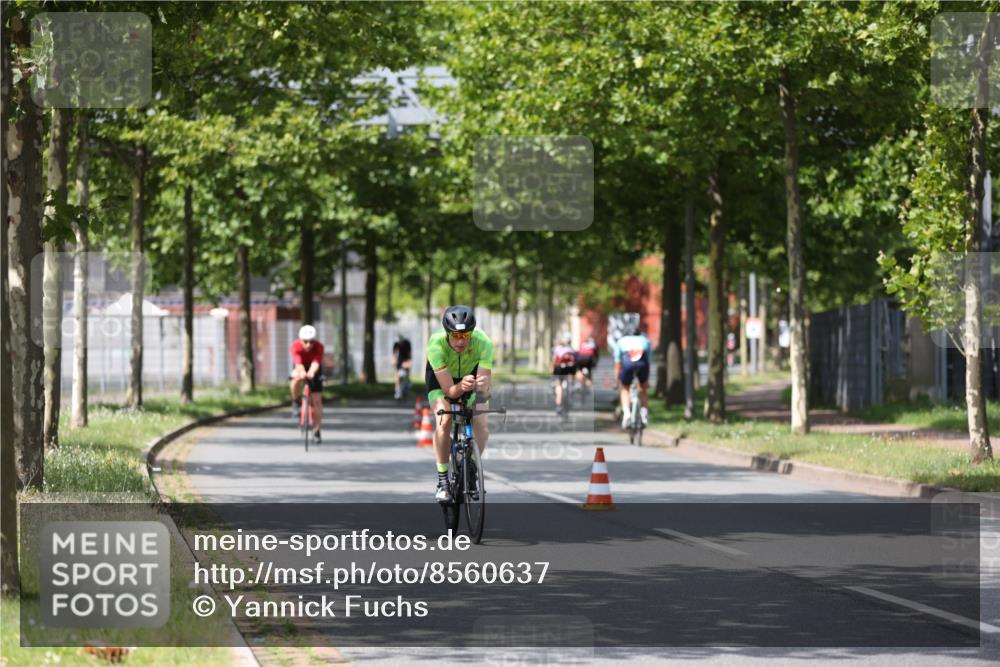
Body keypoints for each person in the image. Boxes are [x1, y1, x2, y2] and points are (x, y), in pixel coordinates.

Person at [426, 305, 494, 503]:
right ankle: (442, 480)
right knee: (444, 418)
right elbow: (449, 392)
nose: (461, 340)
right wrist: (460, 387)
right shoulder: (436, 344)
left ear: (472, 332)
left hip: (470, 377)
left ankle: (471, 468)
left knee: (482, 422)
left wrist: (481, 389)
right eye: (455, 335)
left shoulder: (484, 343)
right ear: (447, 333)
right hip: (442, 381)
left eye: (466, 335)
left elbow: (484, 390)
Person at [614, 320, 652, 429]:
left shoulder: (621, 341)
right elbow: (648, 361)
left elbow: (617, 363)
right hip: (642, 362)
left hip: (627, 362)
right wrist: (646, 381)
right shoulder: (645, 340)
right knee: (643, 389)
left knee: (625, 388)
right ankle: (644, 415)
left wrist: (617, 381)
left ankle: (627, 414)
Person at [290, 324, 324, 443]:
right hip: (301, 366)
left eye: (311, 342)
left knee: (317, 401)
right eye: (306, 342)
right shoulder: (295, 346)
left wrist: (311, 373)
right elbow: (298, 363)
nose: (309, 345)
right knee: (295, 379)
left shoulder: (319, 347)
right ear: (301, 340)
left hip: (314, 368)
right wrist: (302, 373)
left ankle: (317, 431)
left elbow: (316, 362)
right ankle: (295, 400)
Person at [551, 332, 577, 415]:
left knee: (559, 385)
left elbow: (554, 360)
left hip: (559, 368)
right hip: (570, 368)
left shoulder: (557, 348)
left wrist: (552, 370)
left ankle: (558, 405)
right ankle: (572, 386)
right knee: (570, 378)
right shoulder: (572, 349)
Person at [392, 334, 413, 399]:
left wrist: (409, 362)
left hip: (405, 359)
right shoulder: (396, 344)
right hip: (399, 360)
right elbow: (394, 354)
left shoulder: (407, 343)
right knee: (397, 375)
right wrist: (394, 361)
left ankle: (407, 383)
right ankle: (397, 391)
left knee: (406, 374)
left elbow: (409, 354)